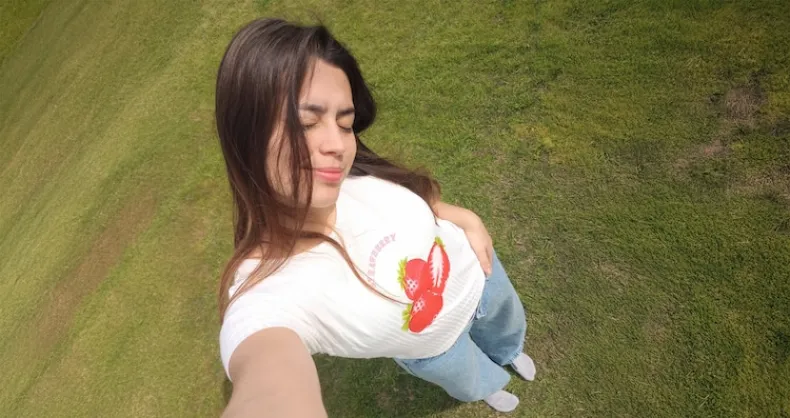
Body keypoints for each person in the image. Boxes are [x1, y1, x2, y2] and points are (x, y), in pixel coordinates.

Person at [215, 18, 537, 417]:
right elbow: (268, 378)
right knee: (468, 377)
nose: (337, 145)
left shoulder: (351, 174)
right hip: (437, 349)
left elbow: (416, 200)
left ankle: (509, 351)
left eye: (345, 123)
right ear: (246, 133)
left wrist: (464, 217)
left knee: (507, 327)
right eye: (306, 123)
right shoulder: (268, 293)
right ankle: (488, 385)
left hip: (482, 277)